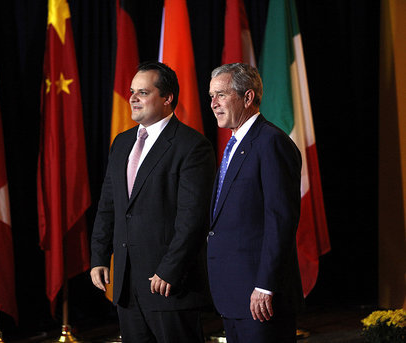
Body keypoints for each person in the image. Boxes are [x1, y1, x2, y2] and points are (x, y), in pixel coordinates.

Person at [90, 61, 216, 343]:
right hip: (126, 286)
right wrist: (99, 255)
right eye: (132, 91)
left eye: (143, 92)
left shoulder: (192, 146)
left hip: (170, 286)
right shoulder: (122, 143)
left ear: (167, 97)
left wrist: (169, 270)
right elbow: (108, 204)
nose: (132, 98)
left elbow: (192, 219)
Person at [207, 63, 304, 343]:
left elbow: (280, 219)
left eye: (221, 95)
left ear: (248, 97)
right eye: (211, 96)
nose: (213, 104)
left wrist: (265, 285)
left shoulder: (271, 142)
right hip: (234, 293)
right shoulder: (236, 143)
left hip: (260, 298)